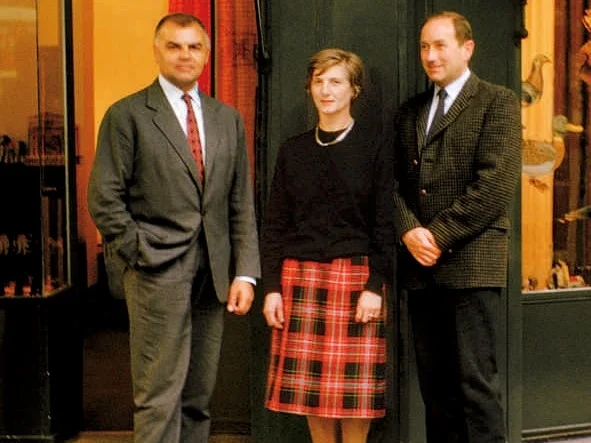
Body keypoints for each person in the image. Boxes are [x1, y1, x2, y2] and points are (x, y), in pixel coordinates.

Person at [87, 13, 260, 443]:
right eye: (174, 46)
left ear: (206, 54)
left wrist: (244, 271)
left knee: (199, 397)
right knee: (159, 396)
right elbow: (103, 198)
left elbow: (240, 201)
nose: (185, 55)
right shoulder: (127, 115)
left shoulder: (227, 119)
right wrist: (138, 250)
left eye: (194, 46)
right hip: (154, 270)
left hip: (213, 274)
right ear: (157, 50)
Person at [392, 11, 521, 443]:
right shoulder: (412, 111)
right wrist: (410, 230)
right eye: (424, 46)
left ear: (467, 49)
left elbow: (496, 184)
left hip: (471, 266)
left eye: (440, 45)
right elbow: (391, 184)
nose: (430, 55)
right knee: (436, 390)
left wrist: (439, 236)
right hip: (421, 269)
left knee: (475, 386)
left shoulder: (497, 101)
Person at [262, 48, 394, 443]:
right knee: (311, 400)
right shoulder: (294, 150)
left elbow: (385, 222)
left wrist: (375, 285)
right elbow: (274, 225)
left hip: (355, 280)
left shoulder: (374, 147)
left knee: (354, 401)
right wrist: (270, 287)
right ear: (309, 87)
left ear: (354, 89)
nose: (325, 89)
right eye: (318, 81)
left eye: (335, 81)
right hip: (299, 278)